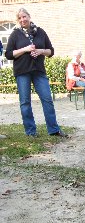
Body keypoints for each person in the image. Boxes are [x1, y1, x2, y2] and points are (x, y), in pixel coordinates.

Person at [4, 8, 66, 138]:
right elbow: (9, 54)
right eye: (20, 18)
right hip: (22, 72)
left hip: (39, 71)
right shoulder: (15, 34)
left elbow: (51, 51)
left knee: (47, 99)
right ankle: (31, 131)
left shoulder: (40, 32)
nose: (22, 20)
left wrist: (40, 51)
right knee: (25, 102)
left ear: (29, 16)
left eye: (24, 16)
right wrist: (25, 49)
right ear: (18, 20)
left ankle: (54, 129)